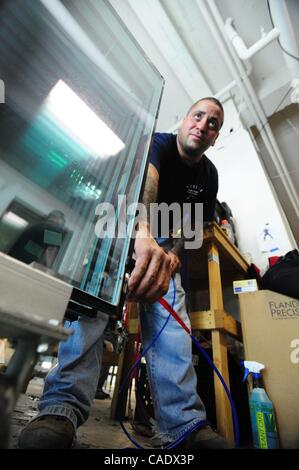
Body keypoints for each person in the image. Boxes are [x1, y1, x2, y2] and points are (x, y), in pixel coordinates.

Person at [19, 97, 230, 449]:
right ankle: (60, 408)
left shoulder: (209, 175)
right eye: (198, 115)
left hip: (162, 237)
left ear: (215, 138)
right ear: (183, 120)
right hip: (122, 221)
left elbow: (192, 225)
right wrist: (143, 231)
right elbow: (148, 182)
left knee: (171, 300)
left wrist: (172, 258)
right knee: (94, 293)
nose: (203, 124)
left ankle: (182, 425)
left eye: (213, 123)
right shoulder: (159, 143)